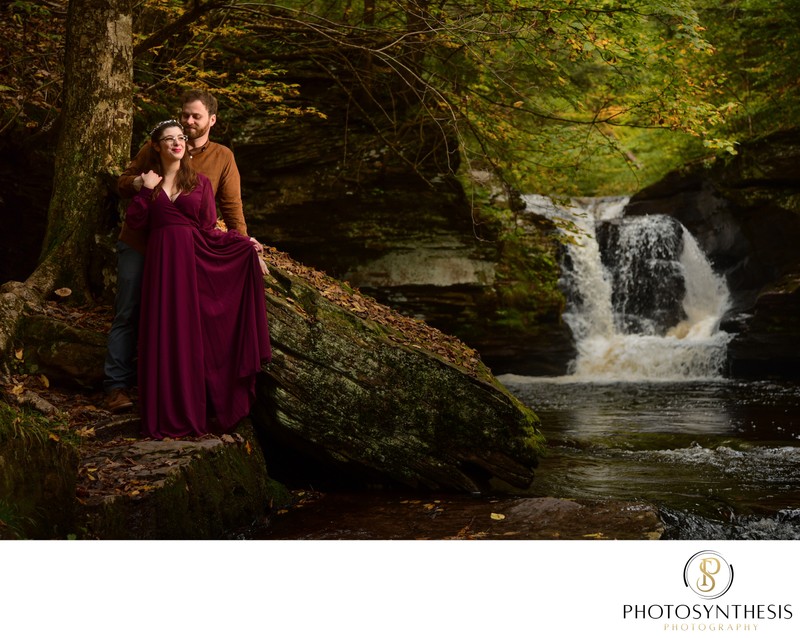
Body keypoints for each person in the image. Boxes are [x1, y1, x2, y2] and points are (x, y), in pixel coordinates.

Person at [104, 89, 260, 412]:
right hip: (141, 242)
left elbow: (231, 208)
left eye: (195, 117)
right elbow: (123, 183)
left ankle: (187, 388)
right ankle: (117, 385)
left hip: (185, 251)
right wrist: (140, 185)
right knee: (129, 309)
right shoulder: (157, 145)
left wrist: (245, 245)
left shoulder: (221, 158)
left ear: (211, 120)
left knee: (186, 315)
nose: (188, 122)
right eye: (185, 114)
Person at [124, 120, 271, 438]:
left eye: (181, 138)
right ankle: (161, 414)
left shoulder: (201, 183)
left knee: (191, 335)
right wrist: (145, 189)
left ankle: (195, 410)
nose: (177, 143)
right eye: (169, 139)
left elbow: (208, 230)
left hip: (191, 264)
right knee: (161, 333)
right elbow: (135, 222)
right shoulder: (150, 181)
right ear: (157, 146)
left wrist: (243, 244)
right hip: (161, 266)